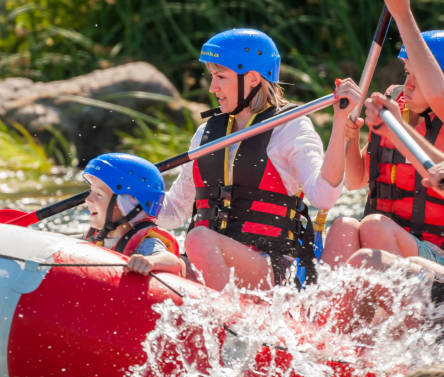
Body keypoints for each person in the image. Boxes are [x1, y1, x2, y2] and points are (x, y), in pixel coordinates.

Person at [156, 28, 360, 291]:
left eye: (220, 77)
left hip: (271, 270)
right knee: (157, 257)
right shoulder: (206, 134)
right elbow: (173, 212)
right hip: (209, 259)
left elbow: (323, 196)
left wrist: (340, 123)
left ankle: (224, 320)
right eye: (211, 77)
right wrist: (125, 199)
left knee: (198, 239)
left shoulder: (290, 129)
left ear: (251, 78)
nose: (212, 87)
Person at [321, 26, 444, 268]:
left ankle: (395, 304)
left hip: (435, 257)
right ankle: (325, 306)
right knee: (343, 227)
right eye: (407, 74)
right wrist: (352, 134)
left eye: (418, 77)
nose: (407, 85)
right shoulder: (395, 106)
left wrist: (398, 130)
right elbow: (356, 181)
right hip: (383, 239)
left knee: (374, 225)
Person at [83, 152, 186, 277]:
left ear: (128, 206)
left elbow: (173, 262)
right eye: (91, 192)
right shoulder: (95, 236)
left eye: (99, 194)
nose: (88, 199)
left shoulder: (145, 245)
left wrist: (150, 261)